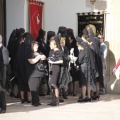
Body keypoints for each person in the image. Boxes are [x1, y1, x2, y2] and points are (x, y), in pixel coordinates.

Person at [26, 41, 46, 106]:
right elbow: (32, 61)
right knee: (33, 89)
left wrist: (42, 56)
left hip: (39, 73)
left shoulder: (39, 53)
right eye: (35, 46)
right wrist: (38, 57)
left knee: (37, 89)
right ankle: (34, 102)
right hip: (32, 74)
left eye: (37, 46)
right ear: (32, 46)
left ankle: (37, 101)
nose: (37, 47)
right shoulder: (29, 53)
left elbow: (44, 57)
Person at [48, 36, 63, 106]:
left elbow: (61, 61)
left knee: (54, 84)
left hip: (56, 68)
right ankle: (53, 100)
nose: (49, 46)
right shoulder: (52, 51)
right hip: (51, 68)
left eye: (51, 44)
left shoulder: (58, 52)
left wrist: (53, 62)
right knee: (51, 84)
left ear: (55, 45)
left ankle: (57, 100)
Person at [0, 35, 9, 113]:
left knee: (2, 90)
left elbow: (6, 62)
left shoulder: (4, 49)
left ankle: (3, 107)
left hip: (1, 74)